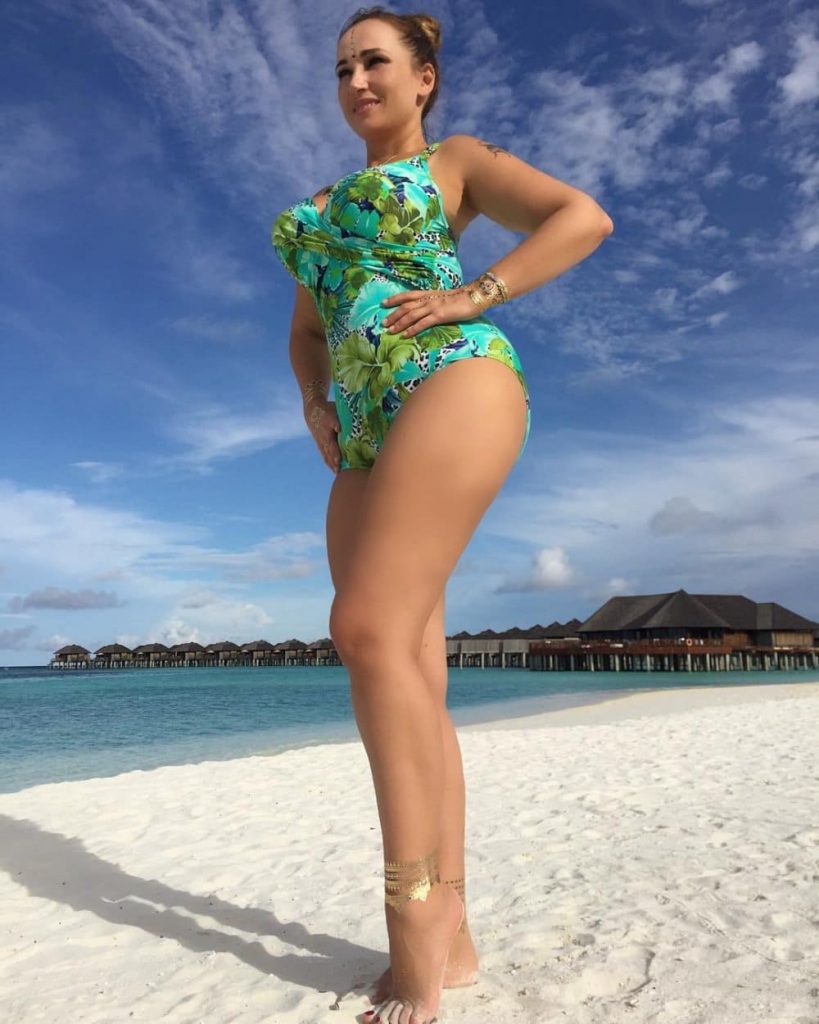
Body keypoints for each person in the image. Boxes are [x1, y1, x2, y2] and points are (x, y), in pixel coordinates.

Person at [271, 8, 613, 1022]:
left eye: (375, 62)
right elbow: (306, 328)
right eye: (342, 68)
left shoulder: (451, 163)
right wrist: (314, 402)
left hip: (452, 374)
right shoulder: (316, 211)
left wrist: (477, 293)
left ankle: (413, 921)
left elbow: (581, 218)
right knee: (409, 669)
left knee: (363, 627)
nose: (355, 81)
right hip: (361, 430)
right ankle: (454, 934)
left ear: (423, 77)